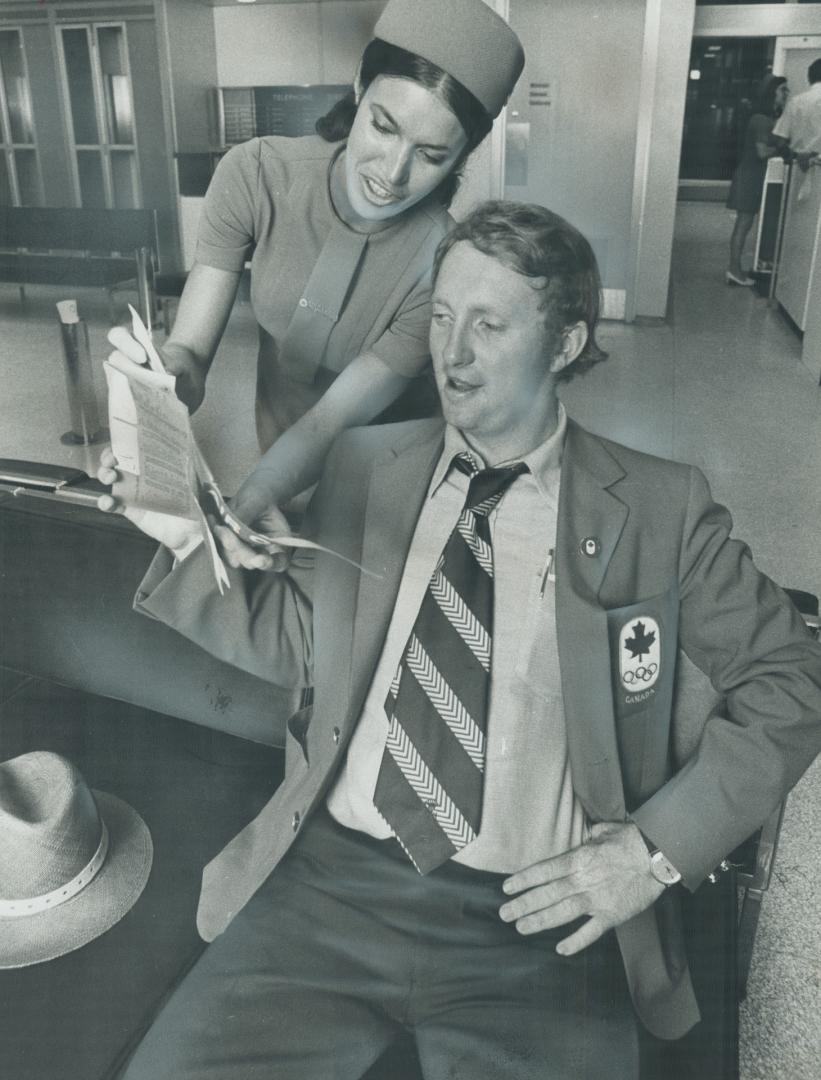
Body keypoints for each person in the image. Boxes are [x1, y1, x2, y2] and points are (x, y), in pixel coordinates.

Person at [99, 200, 821, 1079]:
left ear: (564, 344)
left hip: (534, 917)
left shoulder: (657, 508)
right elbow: (302, 647)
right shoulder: (369, 467)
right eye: (442, 317)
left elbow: (792, 676)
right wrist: (179, 534)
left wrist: (650, 853)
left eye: (489, 323)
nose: (452, 353)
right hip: (332, 885)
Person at [108, 0, 523, 558]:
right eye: (382, 126)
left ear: (461, 157)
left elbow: (332, 417)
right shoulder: (256, 175)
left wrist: (251, 496)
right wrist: (165, 386)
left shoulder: (443, 265)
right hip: (277, 438)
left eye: (430, 155)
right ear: (358, 87)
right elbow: (190, 349)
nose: (391, 174)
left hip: (389, 465)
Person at [726, 74, 788, 287]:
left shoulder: (764, 118)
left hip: (752, 175)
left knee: (745, 223)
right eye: (783, 90)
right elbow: (762, 152)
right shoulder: (761, 119)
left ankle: (735, 269)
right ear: (772, 93)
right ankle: (734, 269)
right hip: (750, 176)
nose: (786, 94)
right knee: (744, 223)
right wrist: (781, 144)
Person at [772, 57, 821, 173]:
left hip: (798, 169)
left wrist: (797, 156)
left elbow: (780, 142)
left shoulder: (795, 102)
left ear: (809, 78)